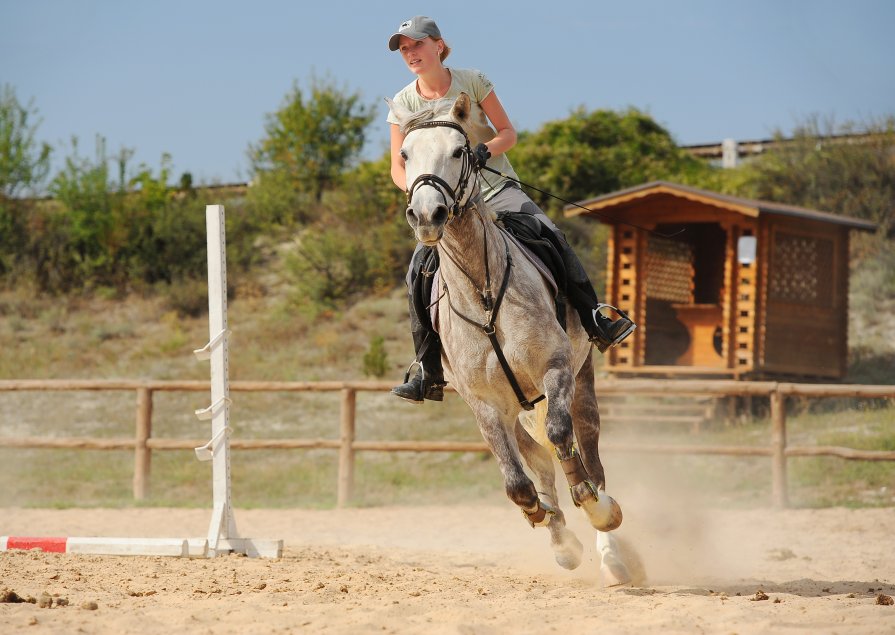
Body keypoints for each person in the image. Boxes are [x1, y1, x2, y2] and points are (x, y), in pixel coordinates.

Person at [386, 15, 636, 404]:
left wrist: (487, 150)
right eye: (404, 49)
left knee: (550, 233)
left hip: (496, 187)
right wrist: (422, 195)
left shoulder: (472, 81)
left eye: (416, 44)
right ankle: (427, 367)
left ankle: (595, 317)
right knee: (417, 270)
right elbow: (397, 167)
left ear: (438, 45)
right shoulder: (403, 102)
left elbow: (508, 133)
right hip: (444, 201)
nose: (410, 53)